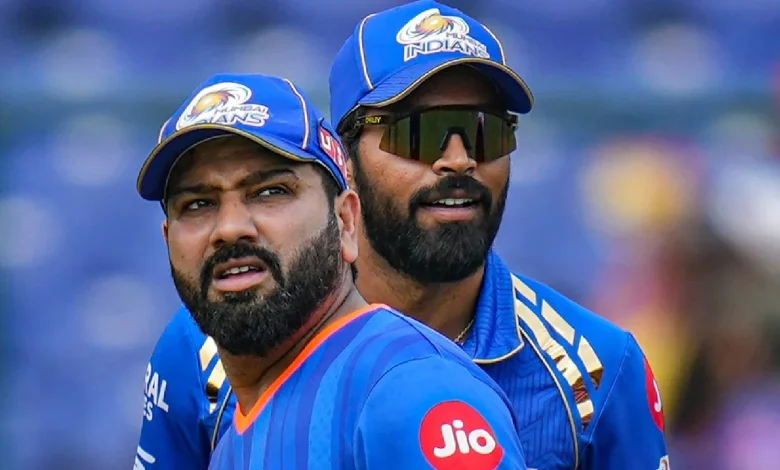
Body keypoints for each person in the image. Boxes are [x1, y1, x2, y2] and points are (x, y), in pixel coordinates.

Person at [134, 2, 670, 470]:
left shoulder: (598, 368)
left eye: (486, 132)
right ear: (343, 163)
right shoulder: (208, 349)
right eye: (419, 134)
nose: (459, 160)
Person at [134, 72, 529, 470]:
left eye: (270, 192)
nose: (231, 228)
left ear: (345, 221)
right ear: (168, 238)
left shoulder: (411, 390)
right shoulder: (239, 430)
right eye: (197, 204)